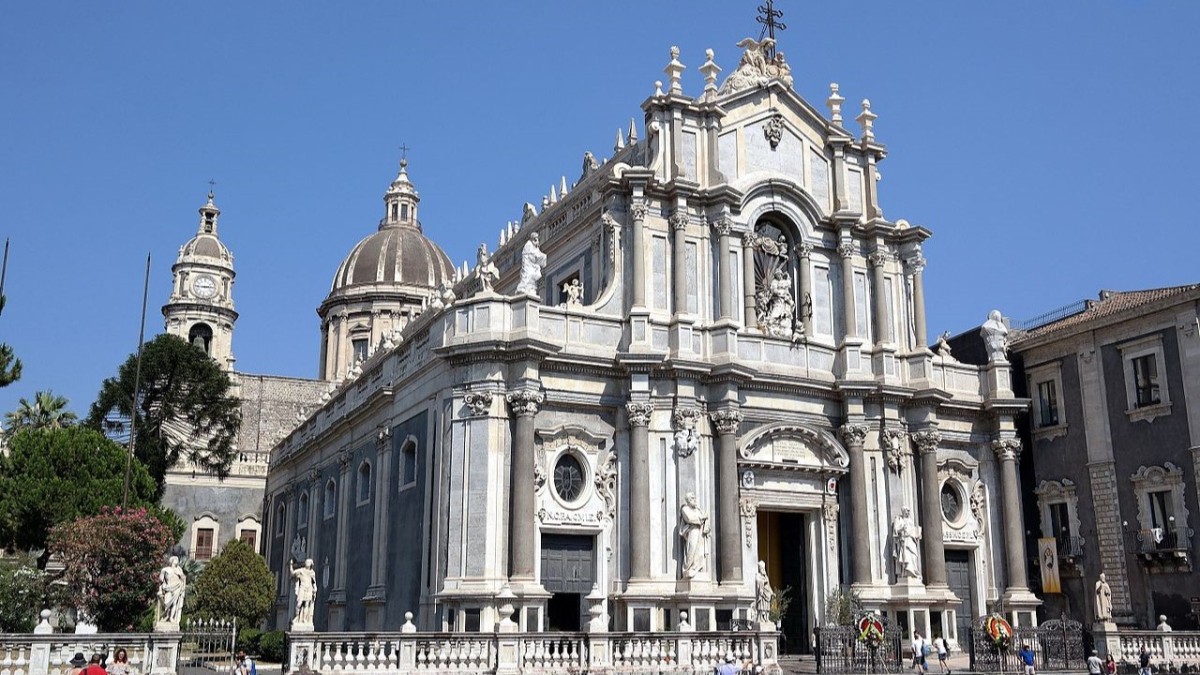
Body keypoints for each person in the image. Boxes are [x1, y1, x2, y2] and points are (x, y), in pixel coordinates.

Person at [679, 493, 710, 579]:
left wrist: (705, 520)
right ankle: (687, 569)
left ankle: (696, 568)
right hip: (692, 531)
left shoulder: (698, 509)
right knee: (691, 549)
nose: (694, 499)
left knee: (700, 552)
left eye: (694, 498)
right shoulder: (685, 509)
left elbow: (702, 517)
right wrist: (702, 518)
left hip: (699, 531)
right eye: (692, 498)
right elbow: (689, 519)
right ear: (688, 500)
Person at [158, 555, 187, 624]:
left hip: (177, 587)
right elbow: (161, 581)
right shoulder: (165, 569)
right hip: (168, 587)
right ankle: (166, 616)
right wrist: (160, 590)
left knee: (174, 603)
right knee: (166, 602)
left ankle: (171, 617)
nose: (177, 561)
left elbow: (183, 579)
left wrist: (181, 576)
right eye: (175, 560)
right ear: (172, 561)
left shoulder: (179, 570)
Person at [290, 557, 317, 626]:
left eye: (308, 562)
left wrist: (315, 588)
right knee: (299, 604)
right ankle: (297, 617)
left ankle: (304, 620)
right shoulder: (301, 571)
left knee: (306, 604)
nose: (306, 563)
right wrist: (291, 565)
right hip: (302, 588)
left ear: (311, 564)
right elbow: (292, 573)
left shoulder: (312, 573)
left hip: (309, 589)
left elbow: (314, 582)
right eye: (306, 562)